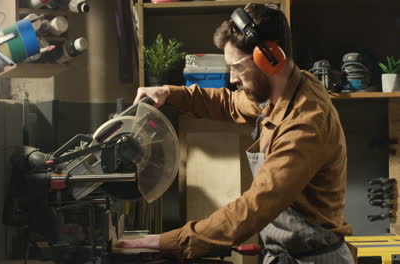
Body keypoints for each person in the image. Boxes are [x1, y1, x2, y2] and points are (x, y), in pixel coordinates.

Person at [118, 3, 356, 263]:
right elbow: (229, 103)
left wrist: (167, 241)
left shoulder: (305, 122)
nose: (232, 78)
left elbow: (256, 206)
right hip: (289, 254)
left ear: (269, 58)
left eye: (236, 67)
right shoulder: (281, 93)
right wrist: (168, 93)